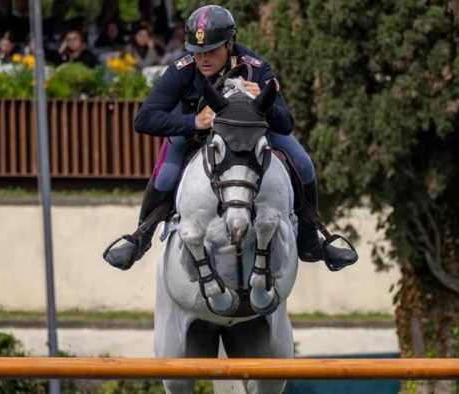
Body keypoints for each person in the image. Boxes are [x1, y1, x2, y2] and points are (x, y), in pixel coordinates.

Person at [103, 5, 358, 273]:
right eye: (197, 51)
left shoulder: (255, 67)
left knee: (304, 164)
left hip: (249, 132)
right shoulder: (182, 69)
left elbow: (286, 124)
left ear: (230, 43)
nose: (203, 59)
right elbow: (143, 119)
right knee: (166, 175)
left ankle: (309, 242)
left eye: (212, 50)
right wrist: (194, 122)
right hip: (194, 132)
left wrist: (264, 101)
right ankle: (139, 240)